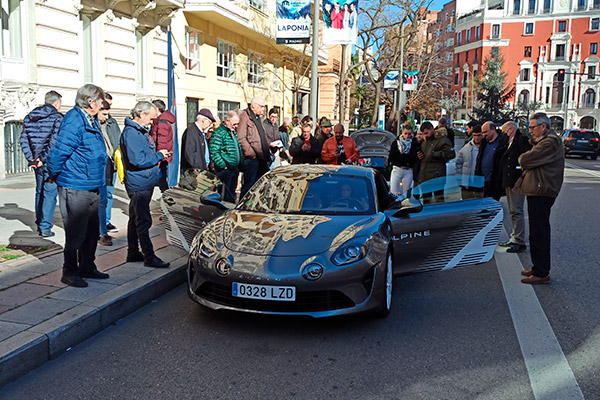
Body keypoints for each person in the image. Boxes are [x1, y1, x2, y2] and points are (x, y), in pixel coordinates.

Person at [46, 84, 108, 287]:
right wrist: (53, 174)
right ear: (92, 102)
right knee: (76, 233)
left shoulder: (90, 118)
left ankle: (87, 266)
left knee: (92, 232)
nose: (102, 105)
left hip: (92, 184)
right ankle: (70, 271)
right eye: (100, 101)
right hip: (76, 185)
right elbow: (59, 152)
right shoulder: (74, 120)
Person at [514, 112, 564, 284]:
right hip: (539, 190)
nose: (530, 131)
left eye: (533, 127)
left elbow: (525, 160)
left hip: (542, 191)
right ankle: (537, 267)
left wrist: (522, 158)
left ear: (543, 127)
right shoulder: (544, 141)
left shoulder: (549, 142)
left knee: (539, 233)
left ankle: (542, 273)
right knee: (536, 232)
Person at [120, 101, 170, 269]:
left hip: (143, 181)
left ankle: (133, 252)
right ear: (142, 114)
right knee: (143, 220)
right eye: (151, 118)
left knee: (135, 218)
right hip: (139, 183)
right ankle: (149, 256)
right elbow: (138, 160)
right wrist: (158, 156)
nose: (152, 122)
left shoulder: (139, 131)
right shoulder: (132, 133)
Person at [19, 90, 63, 237]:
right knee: (49, 192)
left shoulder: (30, 117)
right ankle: (44, 227)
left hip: (36, 161)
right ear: (56, 103)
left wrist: (32, 158)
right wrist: (43, 159)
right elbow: (54, 142)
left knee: (39, 191)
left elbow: (23, 140)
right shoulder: (57, 118)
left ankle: (40, 222)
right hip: (49, 161)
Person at [496, 121, 533, 253]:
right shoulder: (508, 142)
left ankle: (519, 240)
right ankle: (514, 237)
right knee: (513, 211)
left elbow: (527, 158)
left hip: (516, 181)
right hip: (508, 180)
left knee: (517, 211)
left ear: (511, 130)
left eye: (504, 131)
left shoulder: (521, 140)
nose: (503, 134)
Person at [97, 100, 121, 246]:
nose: (107, 116)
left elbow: (117, 140)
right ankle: (101, 230)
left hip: (112, 164)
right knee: (100, 198)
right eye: (104, 113)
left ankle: (105, 222)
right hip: (100, 166)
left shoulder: (112, 122)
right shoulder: (91, 125)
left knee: (108, 195)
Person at [238, 96, 272, 198]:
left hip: (262, 158)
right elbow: (241, 137)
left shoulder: (257, 118)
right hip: (252, 159)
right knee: (249, 187)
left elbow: (261, 137)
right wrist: (251, 153)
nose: (263, 109)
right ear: (254, 106)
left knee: (260, 186)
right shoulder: (245, 117)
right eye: (261, 106)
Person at [416, 121, 455, 202]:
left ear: (432, 129)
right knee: (426, 200)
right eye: (423, 133)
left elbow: (451, 154)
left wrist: (435, 154)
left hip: (437, 177)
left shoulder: (442, 139)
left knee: (439, 200)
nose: (425, 135)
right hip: (425, 177)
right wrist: (420, 156)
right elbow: (425, 157)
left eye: (427, 133)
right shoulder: (425, 142)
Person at [210, 110, 244, 202]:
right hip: (226, 170)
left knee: (231, 195)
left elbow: (238, 149)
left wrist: (240, 164)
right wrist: (223, 165)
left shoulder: (233, 132)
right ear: (227, 121)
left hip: (234, 169)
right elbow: (214, 152)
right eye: (234, 124)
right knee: (224, 196)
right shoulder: (219, 133)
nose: (236, 126)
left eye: (237, 124)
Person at [475, 121, 508, 199]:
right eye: (482, 132)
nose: (484, 135)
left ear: (493, 129)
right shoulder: (484, 143)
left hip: (494, 181)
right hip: (482, 181)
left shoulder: (501, 143)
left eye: (485, 132)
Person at [150, 99, 176, 192]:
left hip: (161, 156)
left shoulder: (162, 122)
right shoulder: (161, 120)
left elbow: (162, 141)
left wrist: (159, 158)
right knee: (162, 179)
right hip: (161, 156)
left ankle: (166, 198)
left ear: (156, 109)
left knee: (162, 180)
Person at [181, 108, 215, 175]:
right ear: (203, 120)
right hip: (194, 173)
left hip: (203, 170)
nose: (209, 125)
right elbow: (190, 153)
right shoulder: (191, 131)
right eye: (209, 122)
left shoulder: (202, 133)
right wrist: (198, 168)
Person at [388, 124, 419, 195]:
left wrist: (403, 159)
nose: (407, 136)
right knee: (394, 192)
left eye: (409, 134)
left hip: (408, 170)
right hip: (397, 169)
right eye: (405, 133)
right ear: (402, 132)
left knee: (406, 193)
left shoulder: (414, 142)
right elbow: (392, 157)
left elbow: (414, 157)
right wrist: (405, 159)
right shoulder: (396, 142)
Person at [455, 125, 483, 199]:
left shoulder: (486, 148)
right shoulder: (466, 148)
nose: (476, 138)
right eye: (474, 135)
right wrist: (459, 179)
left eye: (479, 135)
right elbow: (458, 164)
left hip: (480, 184)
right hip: (467, 184)